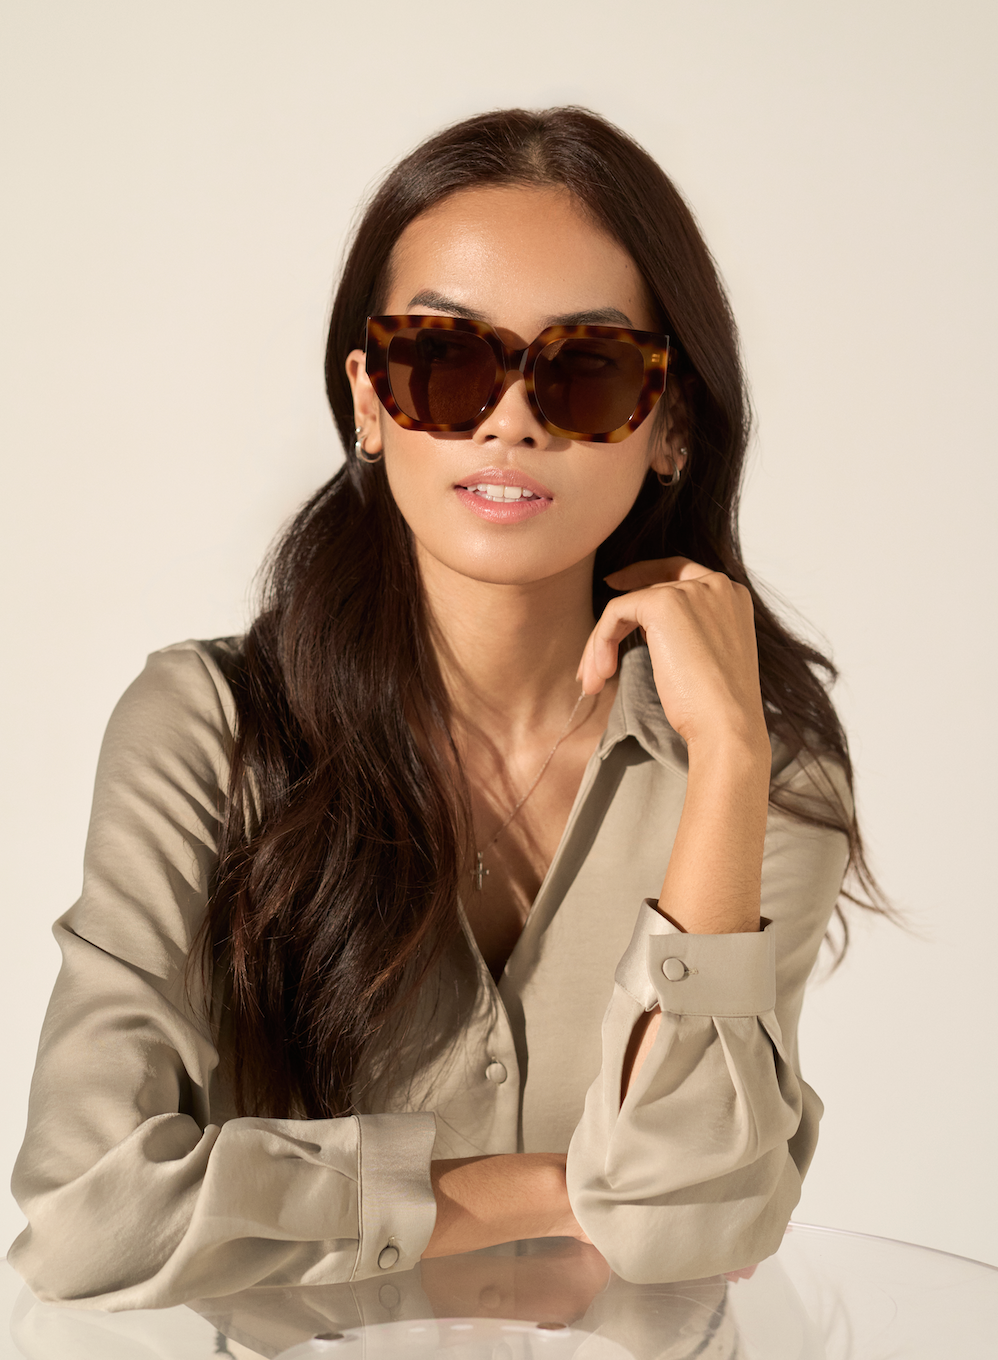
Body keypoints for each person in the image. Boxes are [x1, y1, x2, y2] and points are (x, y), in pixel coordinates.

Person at [9, 107, 879, 1311]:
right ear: (367, 400)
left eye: (584, 371)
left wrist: (726, 756)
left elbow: (692, 1210)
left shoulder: (765, 772)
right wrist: (552, 1191)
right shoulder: (207, 731)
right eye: (445, 361)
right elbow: (83, 1216)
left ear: (668, 421)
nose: (506, 418)